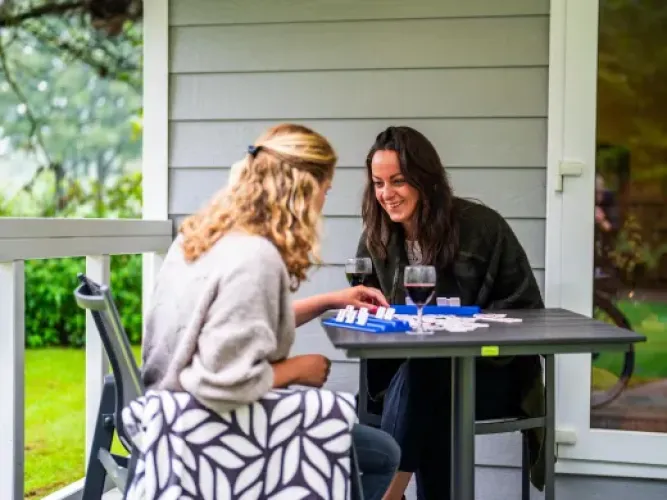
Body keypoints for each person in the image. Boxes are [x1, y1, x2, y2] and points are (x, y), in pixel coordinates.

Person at [141, 123, 400, 500]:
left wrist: (330, 300)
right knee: (382, 454)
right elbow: (222, 383)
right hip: (208, 430)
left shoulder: (202, 236)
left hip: (166, 412)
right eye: (325, 190)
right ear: (303, 188)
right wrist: (299, 369)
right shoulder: (255, 256)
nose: (323, 204)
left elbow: (233, 327)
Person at [355, 126, 546, 499]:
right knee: (420, 379)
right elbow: (369, 308)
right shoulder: (376, 236)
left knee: (428, 373)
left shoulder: (482, 228)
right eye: (378, 183)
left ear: (425, 178)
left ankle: (386, 494)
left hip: (489, 376)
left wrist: (466, 330)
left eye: (398, 181)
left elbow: (528, 312)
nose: (386, 194)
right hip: (410, 381)